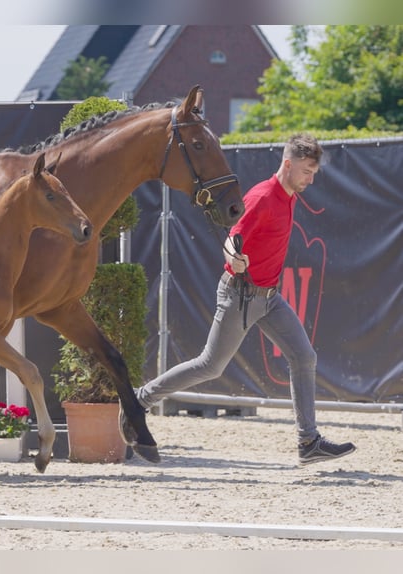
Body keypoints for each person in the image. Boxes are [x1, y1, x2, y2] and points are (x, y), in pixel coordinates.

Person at [124, 133, 356, 466]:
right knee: (210, 365)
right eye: (306, 170)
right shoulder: (263, 196)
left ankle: (309, 442)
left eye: (314, 172)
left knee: (304, 358)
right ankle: (140, 400)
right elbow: (233, 237)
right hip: (240, 296)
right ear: (287, 165)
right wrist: (234, 257)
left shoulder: (290, 195)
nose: (311, 178)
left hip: (270, 298)